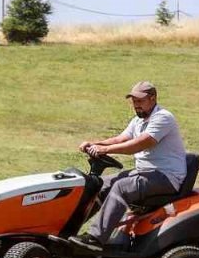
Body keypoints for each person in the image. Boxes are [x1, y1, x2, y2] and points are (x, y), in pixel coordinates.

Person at [72, 81, 188, 249]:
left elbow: (138, 144)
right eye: (134, 102)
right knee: (102, 184)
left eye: (140, 101)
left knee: (121, 187)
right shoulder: (138, 121)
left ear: (153, 98)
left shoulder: (163, 118)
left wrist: (104, 150)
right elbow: (121, 139)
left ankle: (96, 239)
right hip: (145, 173)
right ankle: (71, 230)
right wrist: (95, 143)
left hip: (166, 177)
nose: (136, 105)